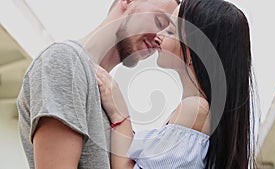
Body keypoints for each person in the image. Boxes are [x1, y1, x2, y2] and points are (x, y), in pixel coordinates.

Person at [94, 0, 257, 168]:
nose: (158, 36)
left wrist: (119, 114)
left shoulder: (194, 110)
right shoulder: (201, 113)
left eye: (170, 31)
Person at [16, 0, 179, 168]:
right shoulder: (65, 61)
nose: (161, 39)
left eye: (169, 32)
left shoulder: (111, 97)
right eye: (159, 22)